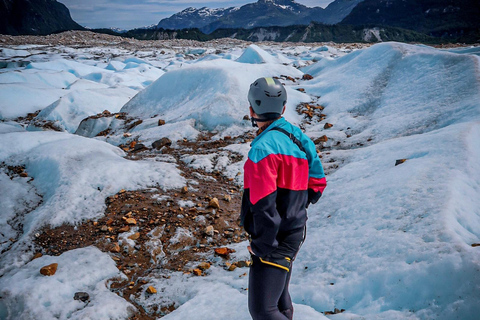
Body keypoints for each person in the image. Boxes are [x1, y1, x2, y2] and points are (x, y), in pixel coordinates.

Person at [240, 77, 327, 320]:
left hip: (273, 239)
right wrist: (296, 206)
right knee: (279, 300)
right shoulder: (298, 137)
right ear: (284, 108)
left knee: (262, 310)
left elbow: (263, 205)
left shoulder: (262, 149)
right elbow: (318, 182)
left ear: (251, 110)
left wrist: (262, 245)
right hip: (295, 231)